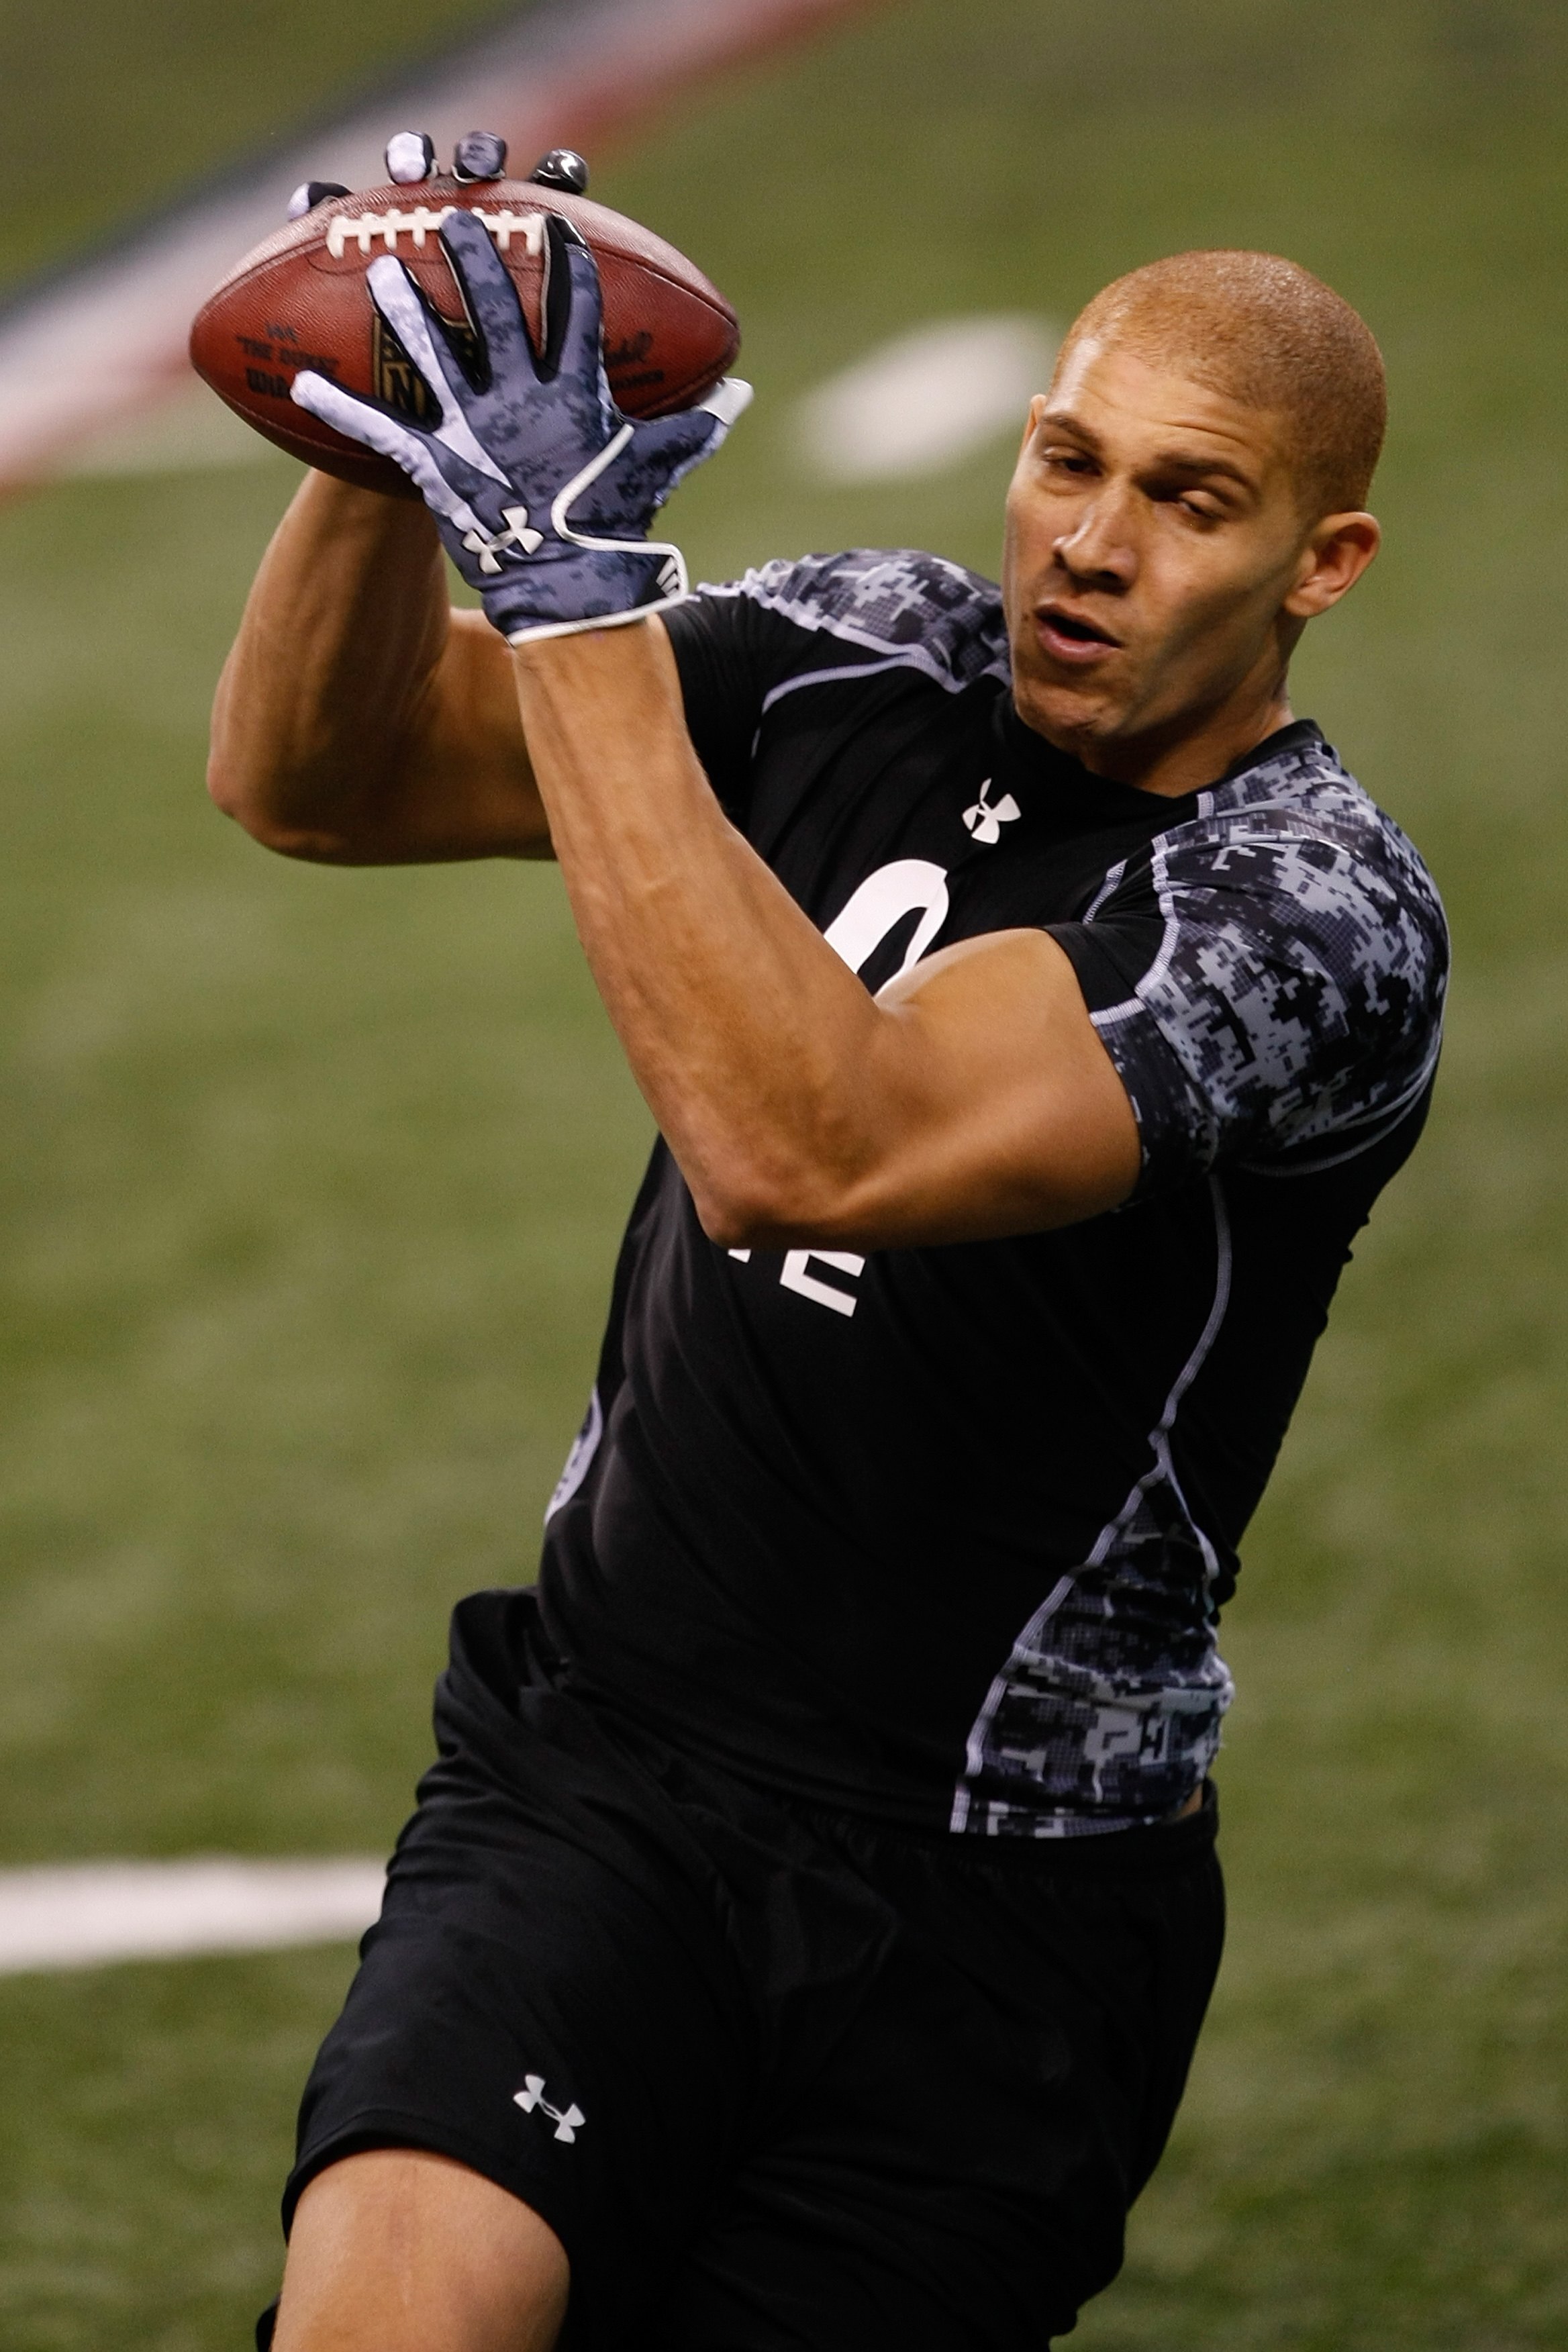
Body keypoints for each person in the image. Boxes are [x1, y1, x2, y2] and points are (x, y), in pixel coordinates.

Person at [210, 213, 1447, 2352]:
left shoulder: (1312, 919)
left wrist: (577, 604)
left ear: (1320, 565)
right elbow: (319, 781)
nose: (1091, 540)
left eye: (1187, 498)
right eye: (1067, 461)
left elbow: (818, 1146)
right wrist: (388, 441)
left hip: (997, 1912)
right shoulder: (864, 644)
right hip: (595, 1775)